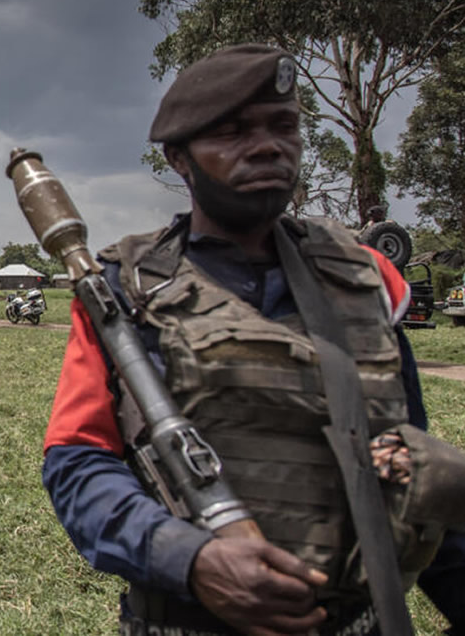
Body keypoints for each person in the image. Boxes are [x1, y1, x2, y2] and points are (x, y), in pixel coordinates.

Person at [41, 44, 465, 635]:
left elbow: (407, 466)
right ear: (180, 159)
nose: (267, 145)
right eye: (233, 132)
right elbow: (79, 462)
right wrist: (190, 560)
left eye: (283, 126)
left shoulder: (367, 279)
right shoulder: (121, 290)